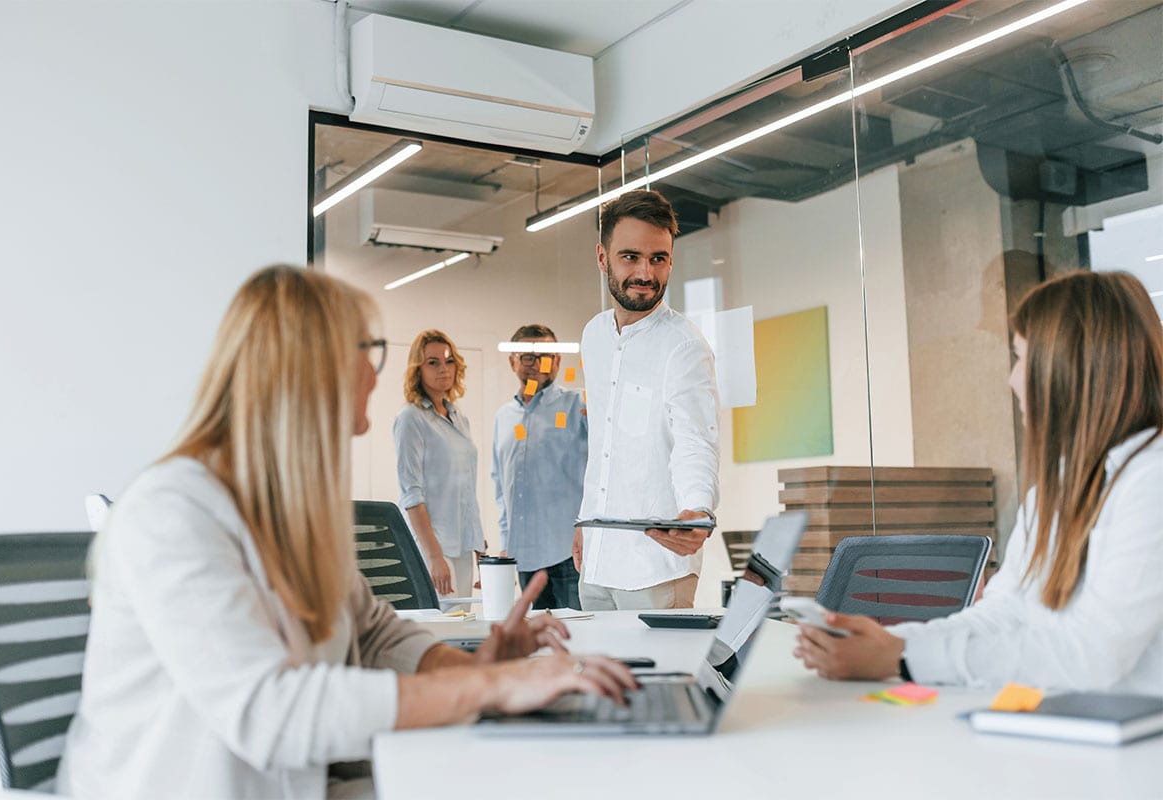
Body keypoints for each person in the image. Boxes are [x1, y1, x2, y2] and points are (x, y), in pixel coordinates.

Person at [56, 266, 636, 800]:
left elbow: (379, 637)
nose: (374, 370)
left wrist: (487, 669)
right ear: (313, 364)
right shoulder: (174, 513)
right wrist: (492, 689)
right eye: (369, 348)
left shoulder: (293, 510)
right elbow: (271, 712)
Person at [794, 270, 1163, 693]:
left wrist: (903, 658)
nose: (1012, 380)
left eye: (1021, 358)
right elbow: (1003, 613)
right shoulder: (1056, 491)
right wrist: (896, 642)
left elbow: (1093, 652)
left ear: (1069, 367)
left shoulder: (1152, 482)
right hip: (1062, 723)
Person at [573, 189, 720, 611]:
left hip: (657, 568)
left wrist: (698, 509)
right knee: (599, 677)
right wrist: (587, 520)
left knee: (657, 681)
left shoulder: (684, 346)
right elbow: (602, 445)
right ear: (602, 257)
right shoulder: (594, 336)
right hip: (598, 563)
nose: (645, 273)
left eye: (659, 258)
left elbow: (696, 441)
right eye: (630, 257)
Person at [492, 323, 587, 610]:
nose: (535, 365)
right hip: (525, 556)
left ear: (557, 361)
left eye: (544, 356)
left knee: (578, 640)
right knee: (538, 645)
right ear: (513, 362)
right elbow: (501, 487)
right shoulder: (504, 416)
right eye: (527, 357)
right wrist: (507, 541)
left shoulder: (577, 406)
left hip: (569, 554)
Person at [394, 330, 484, 598]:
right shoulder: (411, 418)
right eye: (432, 362)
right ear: (417, 369)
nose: (443, 369)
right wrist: (434, 557)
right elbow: (411, 494)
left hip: (464, 546)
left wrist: (479, 546)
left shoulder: (459, 418)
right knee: (444, 629)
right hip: (435, 547)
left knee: (464, 629)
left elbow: (467, 488)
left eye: (449, 361)